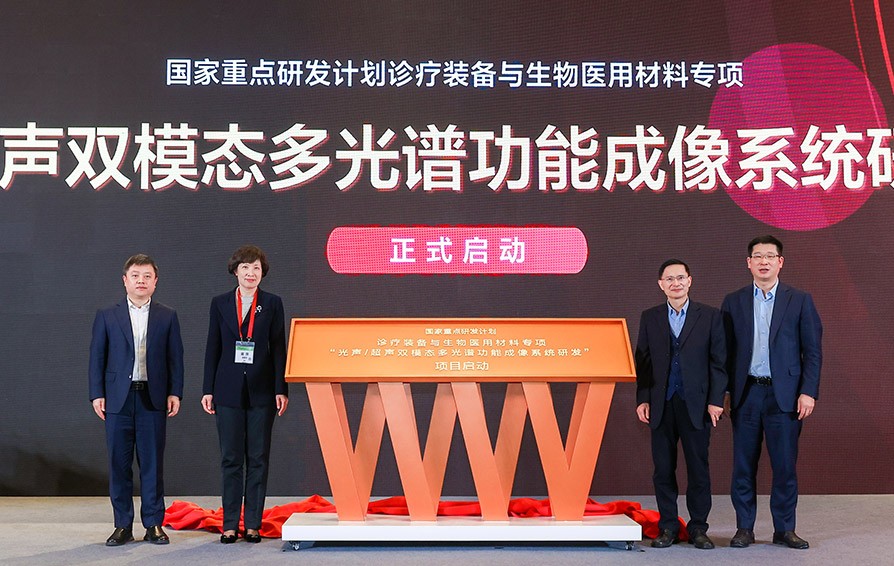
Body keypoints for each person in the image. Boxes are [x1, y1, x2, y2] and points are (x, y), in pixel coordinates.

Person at [722, 235, 822, 550]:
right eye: (757, 256)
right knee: (743, 466)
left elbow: (813, 351)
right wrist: (724, 392)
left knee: (784, 467)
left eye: (769, 256)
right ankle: (744, 528)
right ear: (748, 262)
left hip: (786, 396)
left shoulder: (800, 300)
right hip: (747, 394)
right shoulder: (734, 301)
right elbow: (724, 353)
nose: (763, 261)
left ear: (780, 262)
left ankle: (785, 529)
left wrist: (808, 391)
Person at [88, 254, 184, 546]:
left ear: (155, 281)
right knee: (119, 464)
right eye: (135, 276)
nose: (141, 281)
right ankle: (122, 525)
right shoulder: (107, 314)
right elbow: (97, 357)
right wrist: (97, 394)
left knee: (152, 464)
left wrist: (175, 392)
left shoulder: (167, 315)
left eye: (147, 276)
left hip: (152, 398)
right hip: (118, 399)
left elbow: (175, 358)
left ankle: (154, 524)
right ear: (125, 280)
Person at [635, 259, 727, 550]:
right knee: (663, 469)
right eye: (669, 279)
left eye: (680, 278)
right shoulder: (650, 317)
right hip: (661, 404)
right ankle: (668, 527)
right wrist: (643, 398)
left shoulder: (710, 316)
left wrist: (716, 401)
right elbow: (643, 361)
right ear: (661, 285)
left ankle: (698, 528)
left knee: (698, 469)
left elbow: (719, 363)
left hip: (696, 405)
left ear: (690, 280)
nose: (675, 283)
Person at [202, 245, 289, 544]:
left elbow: (279, 349)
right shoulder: (220, 303)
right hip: (227, 390)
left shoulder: (272, 303)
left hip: (262, 391)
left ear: (262, 272)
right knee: (230, 458)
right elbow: (212, 347)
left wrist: (281, 388)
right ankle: (229, 524)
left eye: (256, 268)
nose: (251, 273)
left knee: (258, 458)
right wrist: (208, 389)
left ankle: (252, 524)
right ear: (235, 271)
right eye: (245, 268)